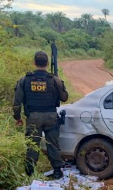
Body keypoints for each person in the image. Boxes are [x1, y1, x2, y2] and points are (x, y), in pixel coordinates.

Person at [13, 51, 68, 179]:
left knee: (33, 144)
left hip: (33, 117)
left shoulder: (25, 80)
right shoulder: (55, 80)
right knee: (53, 145)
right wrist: (59, 83)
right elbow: (64, 98)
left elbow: (17, 101)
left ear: (34, 62)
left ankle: (30, 173)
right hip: (50, 117)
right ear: (48, 63)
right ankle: (57, 171)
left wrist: (17, 117)